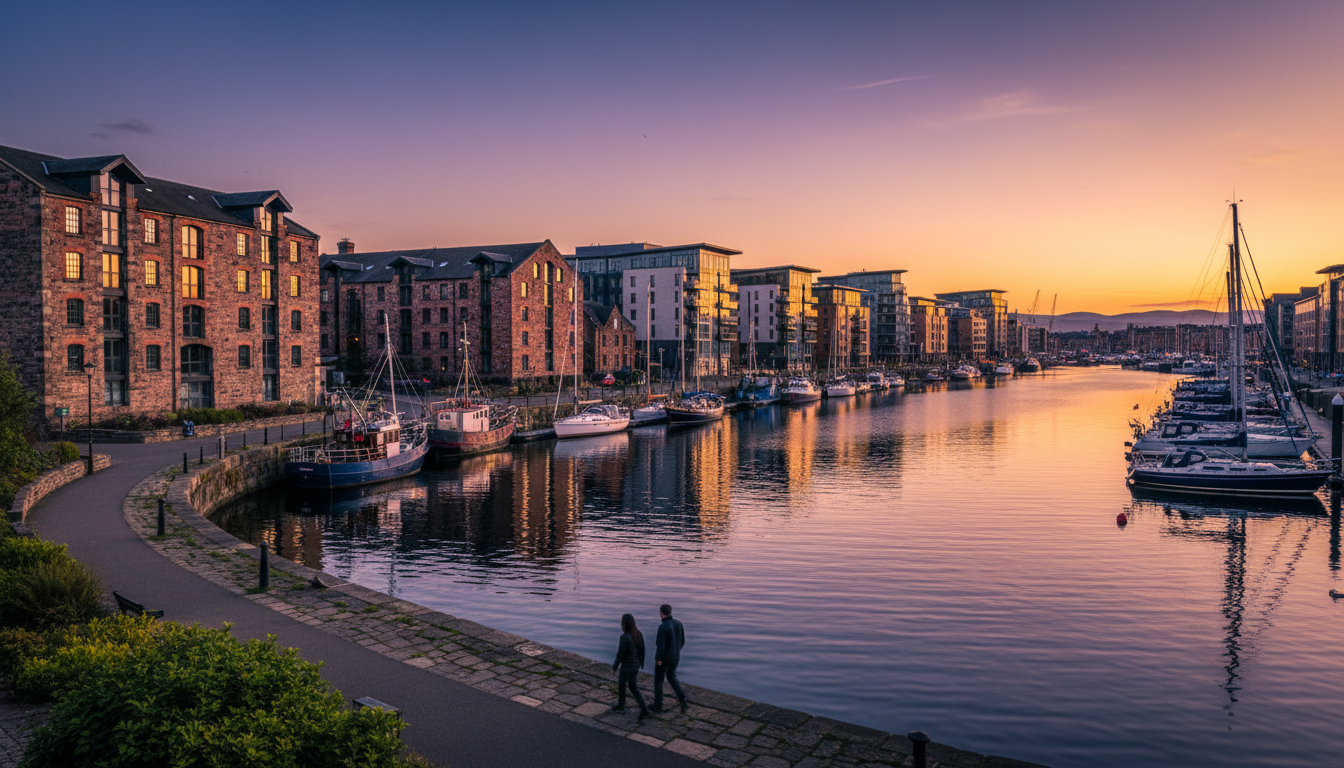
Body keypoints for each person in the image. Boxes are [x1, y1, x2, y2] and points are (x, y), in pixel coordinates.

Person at [611, 613, 649, 719]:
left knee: (622, 686)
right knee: (633, 687)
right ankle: (644, 709)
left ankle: (621, 706)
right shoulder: (638, 633)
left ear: (624, 624)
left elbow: (620, 654)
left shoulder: (624, 637)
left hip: (627, 666)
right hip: (635, 665)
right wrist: (641, 663)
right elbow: (642, 650)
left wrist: (614, 668)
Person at [652, 603, 687, 712]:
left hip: (665, 659)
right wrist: (676, 651)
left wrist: (658, 659)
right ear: (670, 612)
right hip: (676, 656)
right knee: (672, 677)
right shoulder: (679, 623)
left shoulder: (663, 627)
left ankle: (658, 704)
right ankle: (683, 700)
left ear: (661, 613)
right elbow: (682, 641)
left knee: (658, 680)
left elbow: (660, 646)